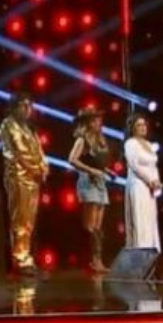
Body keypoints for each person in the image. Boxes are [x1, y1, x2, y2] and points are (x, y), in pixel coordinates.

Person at [0, 93, 47, 275]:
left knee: (29, 220)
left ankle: (26, 255)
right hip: (19, 176)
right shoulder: (8, 125)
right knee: (20, 218)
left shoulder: (29, 128)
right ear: (14, 107)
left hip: (33, 178)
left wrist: (43, 166)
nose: (27, 110)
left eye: (29, 106)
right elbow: (18, 153)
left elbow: (39, 150)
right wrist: (34, 168)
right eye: (23, 105)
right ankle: (20, 258)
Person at [69, 107, 113, 273]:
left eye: (99, 120)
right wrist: (91, 170)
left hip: (100, 181)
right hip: (89, 181)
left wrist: (107, 171)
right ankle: (90, 261)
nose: (98, 123)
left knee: (98, 226)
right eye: (94, 120)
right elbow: (72, 159)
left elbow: (98, 162)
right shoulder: (82, 140)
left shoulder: (100, 140)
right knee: (90, 225)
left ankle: (97, 260)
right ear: (88, 123)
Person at [123, 113, 162, 251]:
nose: (143, 127)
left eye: (144, 124)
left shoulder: (149, 144)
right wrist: (149, 180)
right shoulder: (130, 143)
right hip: (138, 185)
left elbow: (153, 165)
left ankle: (152, 249)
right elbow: (134, 165)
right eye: (139, 125)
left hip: (150, 187)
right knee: (140, 217)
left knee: (150, 217)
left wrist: (156, 181)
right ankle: (140, 249)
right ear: (133, 128)